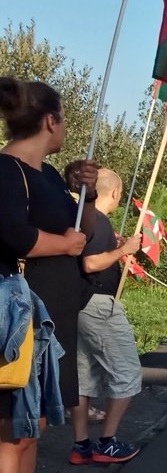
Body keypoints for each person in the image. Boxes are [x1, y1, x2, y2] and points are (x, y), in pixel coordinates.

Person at [0, 77, 97, 472]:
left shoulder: (51, 175)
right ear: (51, 122)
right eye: (65, 120)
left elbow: (83, 230)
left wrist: (87, 195)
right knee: (11, 430)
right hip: (19, 324)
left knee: (33, 424)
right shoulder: (6, 169)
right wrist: (65, 245)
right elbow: (13, 234)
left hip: (49, 325)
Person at [69, 169, 143, 464]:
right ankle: (107, 443)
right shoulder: (98, 221)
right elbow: (90, 263)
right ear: (114, 193)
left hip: (80, 304)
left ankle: (81, 445)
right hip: (98, 305)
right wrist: (123, 249)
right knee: (127, 372)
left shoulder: (82, 219)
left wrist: (118, 248)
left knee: (84, 378)